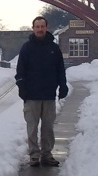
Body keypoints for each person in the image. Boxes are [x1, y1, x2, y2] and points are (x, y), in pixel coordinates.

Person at [15, 16, 68, 167]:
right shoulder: (26, 48)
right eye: (37, 27)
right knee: (32, 127)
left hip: (49, 95)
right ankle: (34, 155)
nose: (40, 29)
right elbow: (20, 71)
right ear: (33, 28)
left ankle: (47, 154)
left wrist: (62, 86)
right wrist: (22, 89)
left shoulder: (54, 48)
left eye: (42, 26)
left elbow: (60, 70)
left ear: (46, 27)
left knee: (48, 127)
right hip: (31, 96)